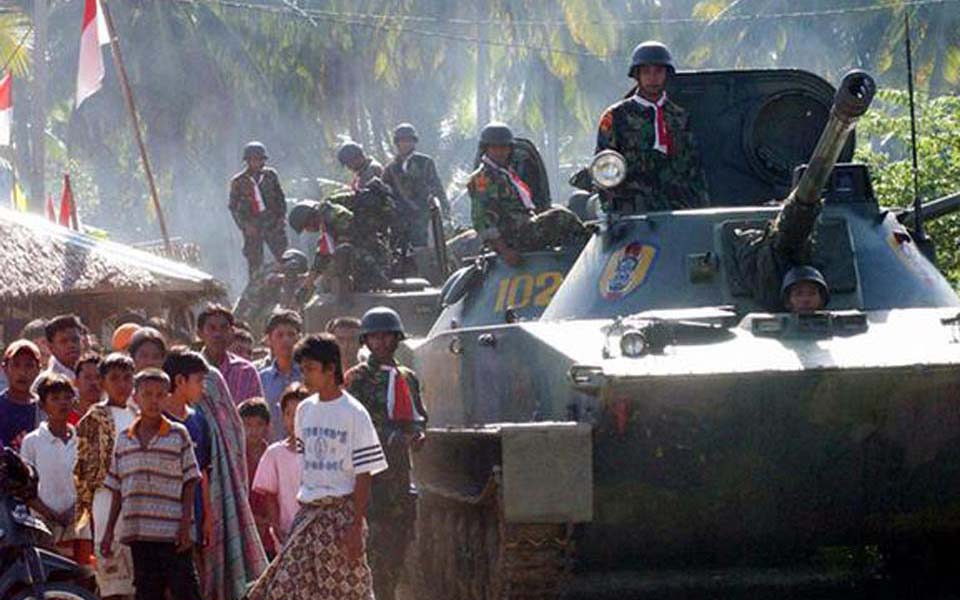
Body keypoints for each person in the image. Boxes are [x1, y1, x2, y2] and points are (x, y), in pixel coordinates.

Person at [247, 333, 387, 600]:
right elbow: (306, 464)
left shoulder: (354, 413)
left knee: (344, 590)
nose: (305, 376)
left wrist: (356, 525)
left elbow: (364, 474)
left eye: (310, 369)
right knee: (284, 588)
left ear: (331, 368)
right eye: (303, 370)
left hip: (340, 516)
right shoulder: (304, 411)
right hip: (308, 514)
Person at [345, 307, 427, 600]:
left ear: (397, 339)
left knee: (396, 552)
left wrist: (415, 436)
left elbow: (418, 418)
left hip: (399, 479)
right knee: (368, 555)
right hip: (368, 480)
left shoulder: (407, 377)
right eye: (375, 337)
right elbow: (350, 425)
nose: (381, 343)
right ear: (366, 341)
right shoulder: (356, 379)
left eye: (387, 336)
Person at [100, 368, 203, 600]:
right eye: (147, 394)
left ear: (168, 397)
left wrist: (186, 526)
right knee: (147, 592)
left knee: (185, 590)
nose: (153, 400)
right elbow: (117, 488)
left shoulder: (178, 434)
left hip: (173, 532)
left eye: (160, 395)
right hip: (139, 532)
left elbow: (190, 481)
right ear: (135, 397)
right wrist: (108, 532)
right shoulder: (124, 438)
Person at [595, 40, 709, 213]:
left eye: (658, 71)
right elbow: (604, 169)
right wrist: (613, 212)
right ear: (637, 75)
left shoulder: (680, 117)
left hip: (678, 212)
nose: (653, 78)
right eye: (646, 72)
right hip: (632, 214)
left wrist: (701, 210)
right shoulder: (616, 117)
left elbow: (695, 170)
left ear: (666, 74)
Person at [468, 122, 589, 266]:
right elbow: (481, 221)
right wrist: (505, 251)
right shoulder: (482, 178)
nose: (500, 152)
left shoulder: (505, 173)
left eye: (504, 147)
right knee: (561, 217)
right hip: (513, 237)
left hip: (522, 228)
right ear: (485, 149)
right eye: (494, 147)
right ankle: (587, 260)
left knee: (563, 214)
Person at [74, 353, 138, 599]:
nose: (122, 385)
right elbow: (84, 470)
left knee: (136, 581)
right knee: (112, 579)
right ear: (102, 382)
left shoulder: (137, 414)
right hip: (105, 503)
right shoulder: (95, 417)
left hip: (135, 504)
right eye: (114, 378)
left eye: (126, 378)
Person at [21, 373, 86, 562]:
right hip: (43, 524)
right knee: (50, 578)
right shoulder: (32, 442)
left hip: (78, 524)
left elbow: (88, 483)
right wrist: (49, 513)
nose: (62, 403)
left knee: (82, 577)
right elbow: (26, 487)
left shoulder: (82, 440)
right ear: (42, 405)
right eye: (55, 398)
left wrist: (73, 512)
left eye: (67, 397)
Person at [161, 349, 214, 561]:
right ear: (180, 380)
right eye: (199, 380)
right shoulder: (158, 419)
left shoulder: (199, 419)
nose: (203, 387)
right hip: (165, 512)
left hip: (197, 510)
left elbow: (203, 470)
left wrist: (208, 516)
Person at [288, 195, 393, 293]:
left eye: (306, 227)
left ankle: (347, 296)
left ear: (310, 219)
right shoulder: (327, 220)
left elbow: (351, 241)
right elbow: (323, 253)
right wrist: (308, 284)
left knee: (341, 252)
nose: (308, 231)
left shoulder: (335, 216)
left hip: (372, 258)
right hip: (366, 255)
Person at [252, 383, 307, 550]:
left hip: (316, 531)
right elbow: (270, 495)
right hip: (286, 533)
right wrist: (276, 526)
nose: (293, 420)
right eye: (289, 414)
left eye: (299, 414)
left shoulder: (322, 453)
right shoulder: (274, 454)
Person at [229, 141, 289, 280]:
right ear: (248, 161)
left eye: (260, 159)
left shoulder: (271, 175)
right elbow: (233, 207)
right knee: (255, 263)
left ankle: (288, 290)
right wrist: (245, 225)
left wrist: (281, 219)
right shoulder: (238, 181)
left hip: (272, 222)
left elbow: (280, 198)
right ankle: (256, 297)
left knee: (283, 257)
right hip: (252, 225)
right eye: (254, 159)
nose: (257, 163)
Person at [382, 123, 449, 248]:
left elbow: (436, 186)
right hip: (400, 218)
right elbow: (385, 189)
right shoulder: (391, 168)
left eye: (409, 140)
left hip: (422, 215)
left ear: (414, 142)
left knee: (423, 249)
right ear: (397, 143)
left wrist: (444, 210)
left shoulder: (425, 162)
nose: (406, 144)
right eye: (403, 140)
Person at [198, 303, 264, 405]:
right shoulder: (190, 369)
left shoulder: (246, 371)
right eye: (212, 328)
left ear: (232, 332)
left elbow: (257, 413)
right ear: (200, 334)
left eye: (223, 328)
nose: (218, 334)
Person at [238, 397, 276, 557]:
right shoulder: (236, 459)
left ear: (267, 427)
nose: (253, 430)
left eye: (259, 425)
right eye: (247, 425)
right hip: (243, 531)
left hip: (270, 532)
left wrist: (268, 521)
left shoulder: (274, 456)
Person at [258, 310, 303, 441]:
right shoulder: (262, 379)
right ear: (269, 340)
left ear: (298, 339)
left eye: (291, 335)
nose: (286, 340)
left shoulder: (308, 376)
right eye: (280, 335)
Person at [0, 340, 42, 450]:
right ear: (4, 368)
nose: (22, 372)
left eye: (29, 365)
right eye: (16, 365)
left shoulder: (46, 408)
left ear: (38, 369)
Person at [38, 314, 85, 387]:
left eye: (75, 340)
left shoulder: (94, 376)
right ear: (51, 347)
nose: (71, 345)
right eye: (63, 341)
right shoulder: (45, 381)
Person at [71, 353, 103, 425]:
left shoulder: (113, 415)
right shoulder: (63, 415)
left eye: (98, 377)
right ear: (75, 382)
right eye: (87, 377)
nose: (94, 382)